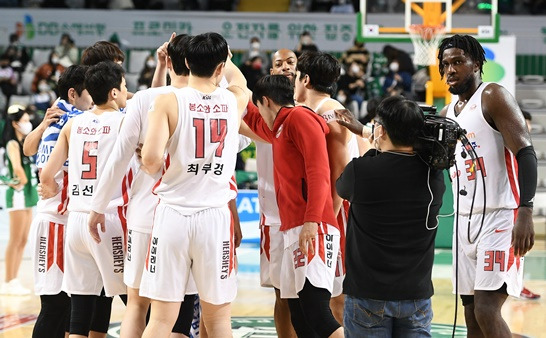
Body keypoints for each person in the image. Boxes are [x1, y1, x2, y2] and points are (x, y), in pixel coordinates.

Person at [87, 34, 199, 338]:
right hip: (194, 215)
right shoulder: (217, 99)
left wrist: (97, 208)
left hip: (145, 214)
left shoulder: (145, 100)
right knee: (183, 305)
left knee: (137, 303)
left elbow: (117, 159)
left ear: (172, 61)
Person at [139, 32, 247, 337]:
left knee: (161, 320)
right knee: (218, 321)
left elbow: (149, 161)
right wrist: (226, 59)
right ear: (220, 66)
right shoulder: (234, 99)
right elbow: (240, 82)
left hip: (172, 214)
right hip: (214, 218)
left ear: (184, 61)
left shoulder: (167, 100)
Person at [438, 34, 537, 337]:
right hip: (463, 222)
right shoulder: (446, 114)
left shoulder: (492, 95)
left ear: (477, 63)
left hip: (500, 217)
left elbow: (526, 153)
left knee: (486, 309)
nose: (450, 70)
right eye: (445, 64)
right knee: (471, 316)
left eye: (458, 61)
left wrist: (525, 210)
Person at [335, 96, 445, 337]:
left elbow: (341, 187)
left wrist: (370, 140)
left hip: (367, 295)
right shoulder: (433, 176)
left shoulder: (360, 171)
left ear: (381, 130)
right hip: (416, 295)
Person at [244, 74, 343, 337]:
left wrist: (311, 222)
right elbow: (250, 115)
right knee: (299, 316)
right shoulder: (278, 127)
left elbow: (319, 171)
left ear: (265, 100)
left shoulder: (300, 118)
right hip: (292, 228)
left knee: (318, 313)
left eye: (259, 107)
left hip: (312, 225)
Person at [39, 61, 129, 337]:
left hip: (76, 222)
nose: (127, 92)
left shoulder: (73, 124)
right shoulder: (125, 121)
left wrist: (52, 191)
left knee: (79, 315)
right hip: (107, 220)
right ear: (113, 92)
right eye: (124, 87)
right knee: (138, 305)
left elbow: (46, 176)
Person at [295, 50, 364, 323]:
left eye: (297, 78)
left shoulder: (331, 113)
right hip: (328, 207)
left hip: (339, 209)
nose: (294, 84)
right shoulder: (315, 110)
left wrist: (327, 218)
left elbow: (341, 172)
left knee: (338, 295)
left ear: (307, 80)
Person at [24, 65, 93, 338]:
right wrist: (43, 124)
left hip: (64, 220)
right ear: (74, 94)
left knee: (65, 306)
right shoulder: (70, 119)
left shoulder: (65, 115)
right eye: (91, 91)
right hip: (55, 223)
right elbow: (30, 150)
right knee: (54, 306)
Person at [0, 104, 38, 295]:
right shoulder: (13, 144)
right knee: (15, 240)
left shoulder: (24, 143)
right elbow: (16, 168)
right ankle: (8, 280)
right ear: (15, 124)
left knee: (23, 239)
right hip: (17, 195)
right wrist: (21, 180)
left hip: (28, 195)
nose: (27, 123)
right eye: (24, 121)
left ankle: (13, 279)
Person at [518, 109, 541, 300]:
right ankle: (517, 285)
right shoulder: (513, 145)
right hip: (509, 205)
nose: (529, 126)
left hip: (518, 204)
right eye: (526, 122)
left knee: (519, 248)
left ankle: (518, 284)